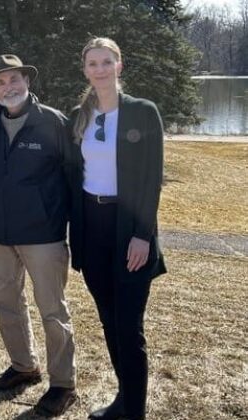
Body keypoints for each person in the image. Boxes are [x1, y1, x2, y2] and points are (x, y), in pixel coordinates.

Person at [67, 37, 166, 420]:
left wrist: (143, 234)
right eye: (93, 63)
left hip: (130, 231)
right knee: (108, 320)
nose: (100, 70)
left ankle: (135, 412)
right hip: (93, 230)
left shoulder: (143, 112)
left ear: (119, 66)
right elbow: (74, 174)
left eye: (106, 62)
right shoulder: (81, 115)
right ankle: (124, 401)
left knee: (128, 326)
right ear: (86, 69)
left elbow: (151, 178)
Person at [0, 54, 77, 417]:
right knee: (5, 302)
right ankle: (23, 366)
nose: (9, 88)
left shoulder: (52, 122)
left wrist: (68, 225)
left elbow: (74, 178)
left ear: (27, 82)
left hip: (43, 235)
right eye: (1, 82)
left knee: (52, 310)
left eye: (15, 80)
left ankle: (63, 384)